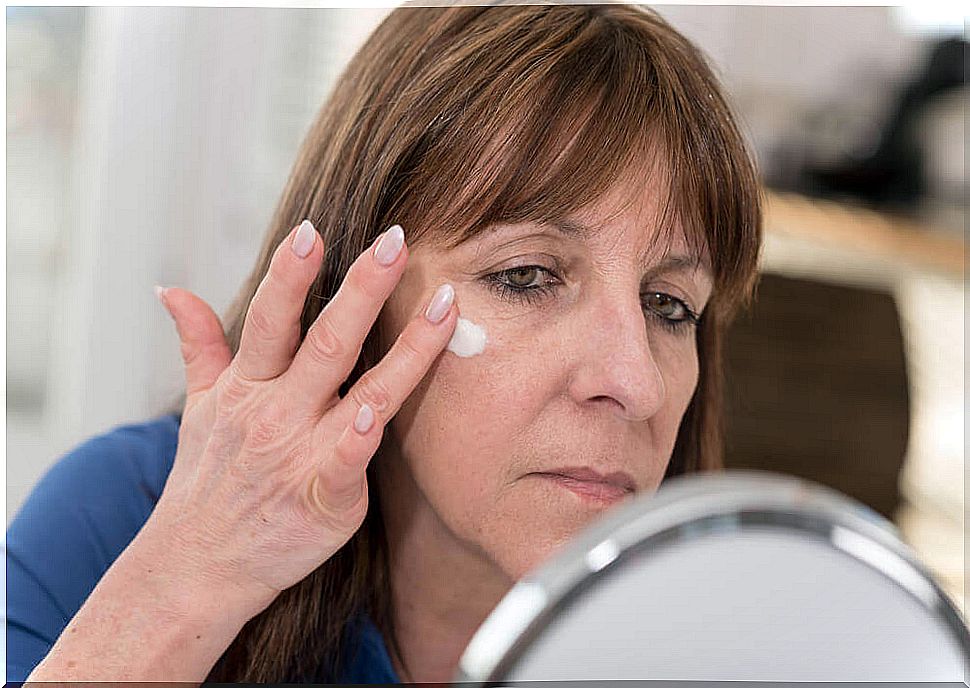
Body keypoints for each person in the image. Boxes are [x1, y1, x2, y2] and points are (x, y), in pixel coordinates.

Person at [7, 3, 762, 683]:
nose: (637, 383)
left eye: (669, 305)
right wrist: (189, 582)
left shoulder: (735, 641)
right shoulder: (116, 521)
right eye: (527, 275)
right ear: (354, 294)